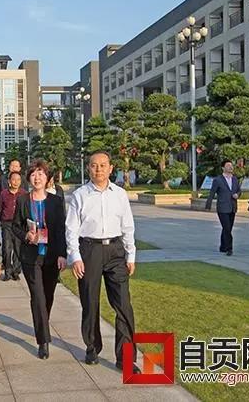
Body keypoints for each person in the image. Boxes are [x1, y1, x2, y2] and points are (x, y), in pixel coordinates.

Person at [66, 151, 140, 373]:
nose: (98, 169)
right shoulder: (80, 195)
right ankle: (92, 347)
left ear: (110, 168)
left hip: (116, 251)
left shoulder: (120, 194)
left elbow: (128, 226)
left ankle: (125, 358)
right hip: (90, 250)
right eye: (94, 165)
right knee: (90, 302)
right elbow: (71, 230)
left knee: (123, 305)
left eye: (103, 165)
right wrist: (75, 257)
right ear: (88, 168)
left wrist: (131, 255)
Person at [13, 161, 66, 359]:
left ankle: (42, 322)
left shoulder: (56, 201)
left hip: (51, 255)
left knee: (48, 296)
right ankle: (43, 341)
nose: (37, 178)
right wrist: (26, 235)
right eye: (34, 174)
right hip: (31, 256)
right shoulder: (23, 200)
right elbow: (15, 226)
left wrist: (62, 254)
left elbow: (61, 229)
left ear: (47, 178)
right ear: (29, 178)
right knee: (38, 296)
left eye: (41, 174)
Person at [204, 160, 241, 256]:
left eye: (231, 165)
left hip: (232, 207)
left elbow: (239, 190)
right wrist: (208, 205)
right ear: (223, 168)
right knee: (227, 228)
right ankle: (229, 248)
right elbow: (212, 193)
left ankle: (223, 246)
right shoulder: (218, 180)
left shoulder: (235, 179)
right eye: (228, 165)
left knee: (227, 228)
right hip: (222, 208)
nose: (231, 167)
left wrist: (237, 194)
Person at [0, 171, 26, 281]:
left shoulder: (24, 194)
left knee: (18, 249)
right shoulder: (4, 193)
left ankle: (16, 271)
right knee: (6, 248)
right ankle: (8, 271)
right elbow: (1, 208)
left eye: (18, 180)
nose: (16, 182)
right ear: (9, 181)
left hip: (19, 225)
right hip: (7, 224)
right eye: (13, 179)